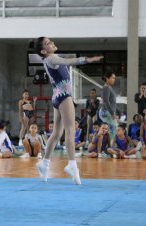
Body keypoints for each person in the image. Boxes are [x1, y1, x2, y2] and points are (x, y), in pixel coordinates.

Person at [30, 37, 103, 185]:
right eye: (48, 43)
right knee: (70, 131)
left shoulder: (47, 60)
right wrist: (86, 60)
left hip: (57, 96)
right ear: (44, 51)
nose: (52, 43)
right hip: (63, 96)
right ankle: (71, 164)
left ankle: (44, 163)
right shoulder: (52, 58)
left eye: (50, 41)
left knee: (57, 133)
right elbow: (68, 62)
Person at [99, 71, 118, 141]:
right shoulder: (106, 88)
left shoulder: (109, 88)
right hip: (106, 112)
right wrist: (112, 113)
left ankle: (107, 147)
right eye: (112, 78)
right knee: (113, 128)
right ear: (107, 78)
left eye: (114, 78)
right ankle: (106, 148)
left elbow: (113, 102)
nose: (114, 80)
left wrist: (117, 112)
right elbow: (106, 102)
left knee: (113, 129)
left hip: (108, 112)